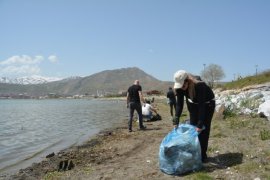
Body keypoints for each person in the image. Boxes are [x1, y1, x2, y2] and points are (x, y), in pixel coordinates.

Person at [173, 70, 215, 163]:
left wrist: (200, 124)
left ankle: (203, 155)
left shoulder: (200, 85)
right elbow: (179, 104)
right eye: (180, 86)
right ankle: (195, 153)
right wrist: (176, 120)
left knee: (203, 130)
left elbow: (201, 106)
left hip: (207, 105)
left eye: (183, 85)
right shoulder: (180, 88)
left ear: (188, 81)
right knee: (193, 128)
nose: (182, 88)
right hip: (193, 104)